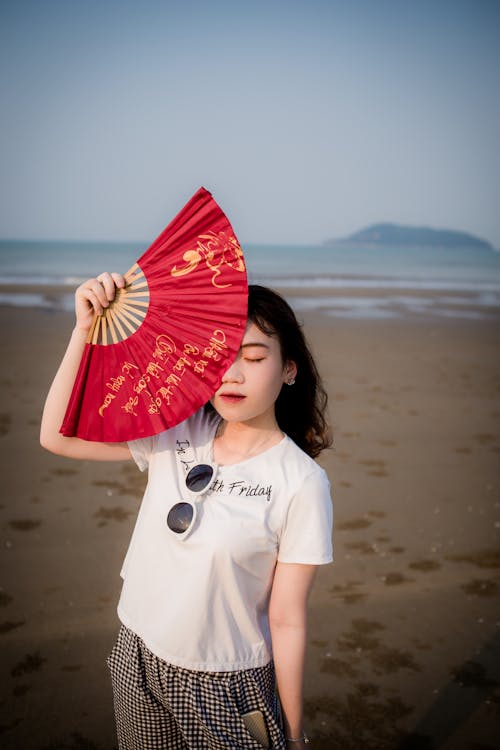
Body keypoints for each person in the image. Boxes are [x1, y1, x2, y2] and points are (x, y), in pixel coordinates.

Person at [40, 272, 334, 750]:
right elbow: (57, 435)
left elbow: (286, 619)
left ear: (289, 369)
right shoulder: (174, 427)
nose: (232, 373)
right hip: (137, 652)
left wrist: (295, 735)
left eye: (254, 357)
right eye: (218, 357)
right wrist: (84, 332)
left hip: (226, 679)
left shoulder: (299, 482)